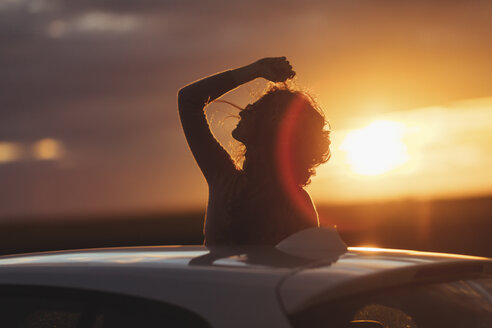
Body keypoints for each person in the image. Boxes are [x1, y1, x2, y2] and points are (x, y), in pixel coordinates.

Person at [178, 57, 331, 245]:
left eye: (253, 109)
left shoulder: (225, 181)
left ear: (269, 130)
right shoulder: (298, 203)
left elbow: (188, 100)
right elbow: (304, 268)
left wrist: (254, 71)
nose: (242, 111)